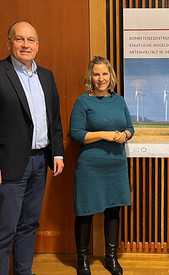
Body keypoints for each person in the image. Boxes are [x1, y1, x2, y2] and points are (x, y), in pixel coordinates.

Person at [0, 20, 64, 275]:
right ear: (9, 43)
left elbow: (55, 118)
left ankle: (23, 272)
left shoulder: (46, 76)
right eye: (19, 39)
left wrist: (57, 152)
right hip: (10, 165)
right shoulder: (1, 72)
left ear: (37, 45)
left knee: (29, 224)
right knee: (5, 230)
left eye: (30, 40)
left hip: (40, 162)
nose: (25, 45)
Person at [70, 56, 134, 275]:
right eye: (96, 74)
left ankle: (111, 258)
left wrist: (124, 134)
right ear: (91, 76)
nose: (101, 78)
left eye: (104, 74)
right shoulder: (83, 102)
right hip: (90, 166)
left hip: (115, 165)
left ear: (111, 76)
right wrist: (104, 135)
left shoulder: (119, 101)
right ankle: (83, 260)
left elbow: (130, 128)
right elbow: (76, 134)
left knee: (113, 210)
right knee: (85, 212)